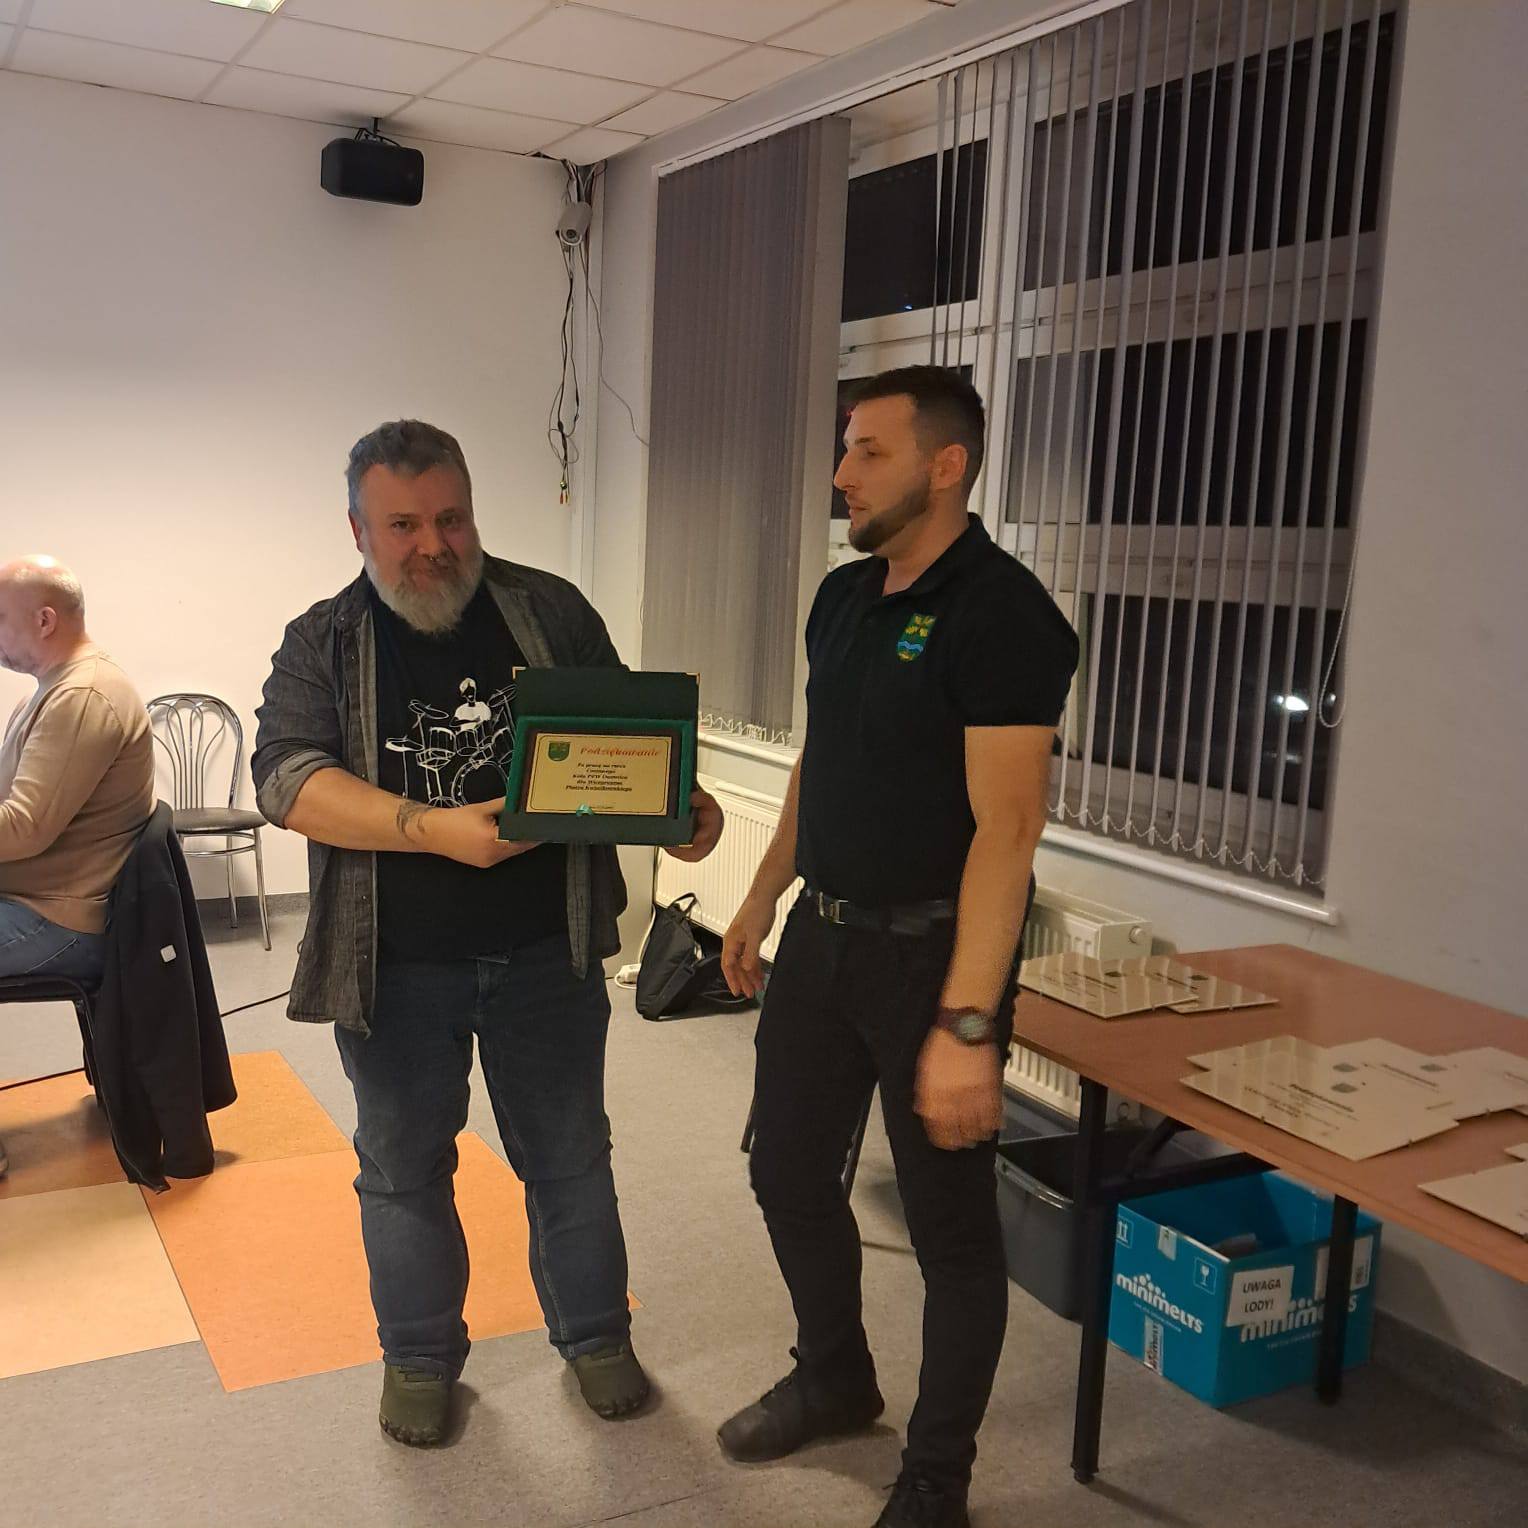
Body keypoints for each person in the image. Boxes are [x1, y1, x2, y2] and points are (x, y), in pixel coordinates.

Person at [252, 420, 722, 1447]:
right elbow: (286, 779)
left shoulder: (549, 611)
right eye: (403, 525)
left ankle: (596, 1337)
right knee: (402, 1170)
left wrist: (680, 809)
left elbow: (627, 742)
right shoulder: (323, 640)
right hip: (393, 966)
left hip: (547, 950)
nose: (433, 545)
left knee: (570, 1156)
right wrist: (432, 829)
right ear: (358, 531)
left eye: (451, 518)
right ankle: (419, 1358)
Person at [718, 368, 1079, 1528]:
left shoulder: (1003, 614)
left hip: (934, 959)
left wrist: (968, 1024)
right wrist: (760, 896)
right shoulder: (843, 596)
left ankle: (935, 1480)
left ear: (945, 464)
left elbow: (1007, 833)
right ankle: (836, 1375)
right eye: (844, 449)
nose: (841, 475)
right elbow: (822, 760)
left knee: (948, 1233)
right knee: (785, 1172)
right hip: (823, 939)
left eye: (868, 451)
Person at [0, 556, 154, 1177]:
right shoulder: (54, 687)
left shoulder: (82, 695)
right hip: (42, 900)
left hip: (60, 920)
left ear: (44, 620)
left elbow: (24, 827)